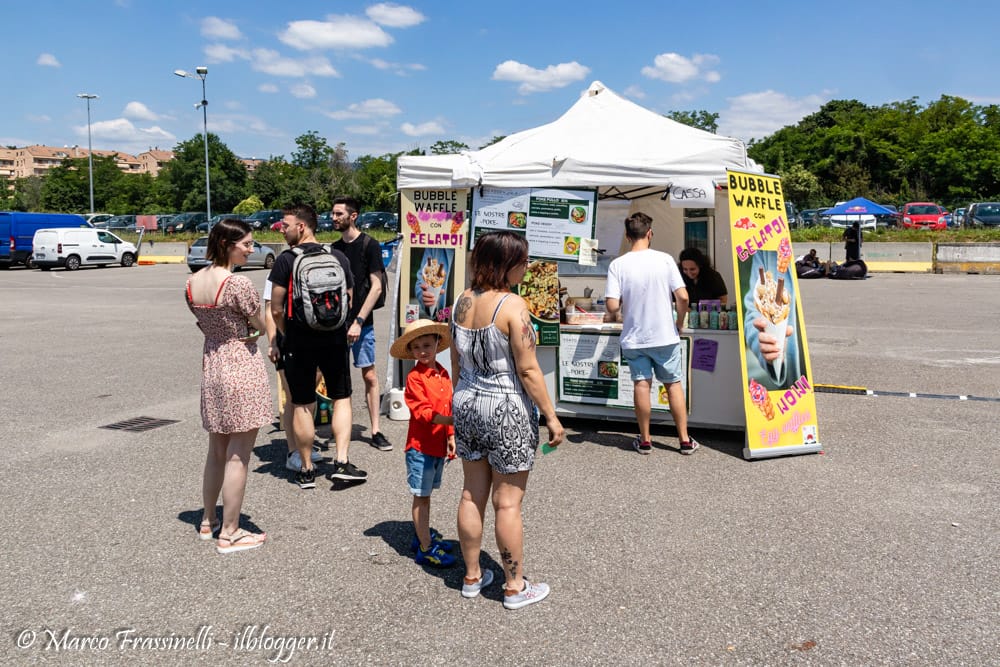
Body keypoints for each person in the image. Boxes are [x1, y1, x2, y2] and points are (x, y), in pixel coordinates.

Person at [451, 230, 565, 609]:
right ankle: (514, 585)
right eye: (523, 261)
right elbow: (529, 369)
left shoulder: (461, 301)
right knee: (508, 503)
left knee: (471, 493)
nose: (527, 267)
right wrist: (551, 416)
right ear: (506, 264)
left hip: (466, 401)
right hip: (506, 408)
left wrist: (459, 398)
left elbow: (456, 359)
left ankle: (471, 576)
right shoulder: (514, 306)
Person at [185, 218, 271, 554]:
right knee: (239, 455)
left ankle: (209, 521)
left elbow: (202, 321)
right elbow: (259, 324)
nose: (251, 249)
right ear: (227, 244)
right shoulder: (238, 284)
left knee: (216, 450)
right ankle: (231, 532)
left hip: (213, 364)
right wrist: (257, 328)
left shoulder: (192, 282)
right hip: (240, 364)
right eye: (246, 244)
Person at [269, 204, 367, 490]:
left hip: (299, 339)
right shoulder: (336, 256)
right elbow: (349, 295)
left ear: (301, 227)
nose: (282, 230)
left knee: (301, 403)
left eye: (286, 225)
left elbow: (276, 309)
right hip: (334, 337)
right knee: (341, 398)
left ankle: (307, 469)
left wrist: (288, 335)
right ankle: (341, 461)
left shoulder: (286, 260)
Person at [604, 212, 699, 455]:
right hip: (665, 336)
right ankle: (684, 440)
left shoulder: (618, 264)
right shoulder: (665, 260)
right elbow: (684, 297)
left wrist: (616, 314)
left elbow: (613, 306)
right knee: (673, 385)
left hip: (635, 338)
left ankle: (645, 440)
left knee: (642, 386)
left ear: (627, 236)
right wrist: (678, 322)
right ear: (650, 233)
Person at [389, 319, 457, 568]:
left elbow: (447, 404)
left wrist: (450, 435)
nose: (422, 351)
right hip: (420, 447)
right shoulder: (415, 378)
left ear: (438, 344)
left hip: (437, 445)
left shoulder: (442, 372)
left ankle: (423, 535)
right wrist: (454, 421)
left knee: (427, 495)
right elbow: (424, 412)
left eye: (427, 345)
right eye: (416, 348)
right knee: (422, 496)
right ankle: (426, 546)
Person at [331, 196, 392, 452]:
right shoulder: (333, 248)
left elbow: (376, 286)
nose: (333, 218)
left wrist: (358, 320)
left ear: (353, 216)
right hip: (336, 325)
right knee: (333, 376)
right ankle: (335, 427)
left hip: (362, 324)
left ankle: (375, 430)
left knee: (369, 375)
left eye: (338, 214)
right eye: (332, 214)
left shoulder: (370, 245)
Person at [262, 276, 324, 471]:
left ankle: (304, 443)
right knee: (292, 397)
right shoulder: (280, 267)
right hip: (285, 341)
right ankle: (292, 451)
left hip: (316, 337)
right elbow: (270, 309)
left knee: (308, 397)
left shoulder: (314, 262)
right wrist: (273, 342)